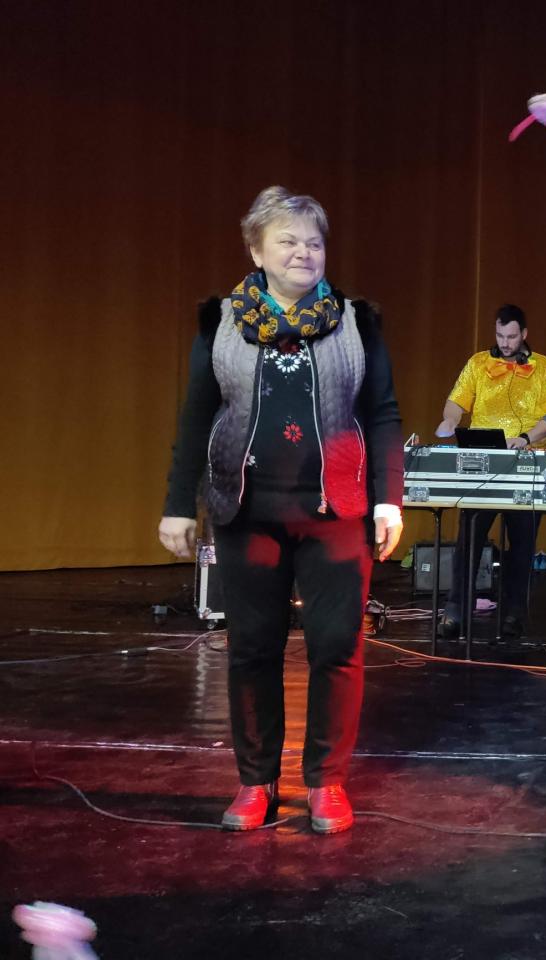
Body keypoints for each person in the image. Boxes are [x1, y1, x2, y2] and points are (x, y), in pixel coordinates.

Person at [158, 186, 404, 835]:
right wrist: (178, 505)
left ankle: (326, 782)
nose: (303, 252)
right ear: (256, 250)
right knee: (252, 650)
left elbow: (382, 414)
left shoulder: (358, 321)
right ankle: (255, 781)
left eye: (314, 242)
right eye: (288, 241)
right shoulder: (219, 322)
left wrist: (389, 500)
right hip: (247, 513)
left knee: (336, 648)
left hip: (337, 514)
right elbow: (196, 415)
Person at [434, 304, 546, 640]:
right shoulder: (478, 363)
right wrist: (451, 419)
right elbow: (456, 401)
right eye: (500, 335)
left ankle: (514, 615)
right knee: (469, 539)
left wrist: (525, 438)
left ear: (524, 334)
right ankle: (455, 611)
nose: (505, 343)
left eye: (512, 336)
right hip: (483, 464)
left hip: (526, 463)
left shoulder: (544, 367)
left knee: (521, 545)